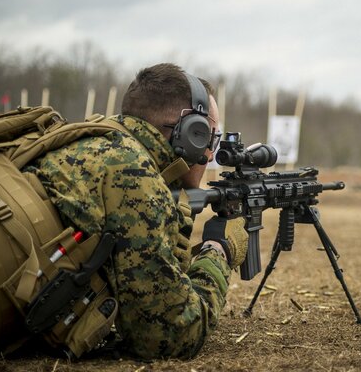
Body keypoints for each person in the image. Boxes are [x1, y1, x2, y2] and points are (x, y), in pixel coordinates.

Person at [22, 63, 248, 359]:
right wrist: (218, 251)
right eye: (210, 138)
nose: (210, 154)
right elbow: (169, 336)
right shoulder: (134, 175)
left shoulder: (94, 142)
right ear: (191, 133)